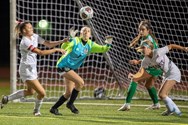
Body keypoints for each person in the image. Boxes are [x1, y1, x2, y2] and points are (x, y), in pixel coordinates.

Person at [0, 21, 66, 116]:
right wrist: (56, 50)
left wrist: (61, 41)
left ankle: (6, 99)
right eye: (29, 28)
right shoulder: (25, 41)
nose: (32, 29)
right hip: (26, 69)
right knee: (42, 93)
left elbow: (48, 44)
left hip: (32, 68)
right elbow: (41, 53)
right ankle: (36, 111)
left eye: (31, 27)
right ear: (24, 30)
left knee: (30, 91)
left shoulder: (34, 36)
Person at [49, 26, 112, 115]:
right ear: (81, 33)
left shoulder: (90, 44)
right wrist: (70, 39)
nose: (86, 32)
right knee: (80, 82)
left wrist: (108, 43)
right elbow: (64, 46)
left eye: (88, 31)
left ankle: (54, 108)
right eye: (84, 31)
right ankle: (70, 104)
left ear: (90, 34)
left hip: (70, 68)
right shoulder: (75, 40)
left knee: (68, 93)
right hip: (63, 65)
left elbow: (103, 49)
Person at [129, 39, 187, 116]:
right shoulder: (145, 61)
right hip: (166, 74)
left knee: (162, 94)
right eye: (141, 48)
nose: (142, 50)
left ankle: (177, 112)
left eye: (144, 47)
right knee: (163, 95)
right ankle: (170, 110)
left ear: (149, 48)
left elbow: (171, 46)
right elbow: (141, 73)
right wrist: (134, 76)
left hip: (173, 71)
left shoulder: (158, 51)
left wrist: (183, 48)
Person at [118, 20, 162, 111]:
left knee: (134, 79)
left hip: (153, 66)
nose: (141, 32)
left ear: (148, 30)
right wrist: (138, 62)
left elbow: (150, 56)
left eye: (143, 29)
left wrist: (137, 61)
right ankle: (156, 104)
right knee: (149, 85)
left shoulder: (147, 41)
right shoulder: (146, 39)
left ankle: (127, 104)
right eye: (139, 30)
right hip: (157, 65)